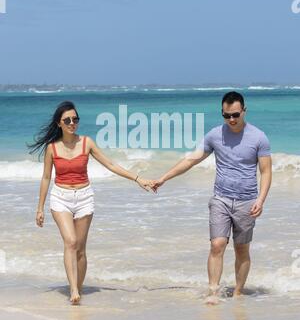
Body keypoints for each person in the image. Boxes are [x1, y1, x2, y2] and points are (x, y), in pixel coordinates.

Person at [28, 101, 154, 304]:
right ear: (59, 123)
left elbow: (111, 164)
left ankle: (78, 286)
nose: (72, 123)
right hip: (60, 197)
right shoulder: (52, 148)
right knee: (70, 242)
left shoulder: (87, 142)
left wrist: (138, 178)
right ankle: (74, 290)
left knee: (80, 249)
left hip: (84, 197)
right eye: (67, 120)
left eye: (75, 119)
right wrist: (39, 208)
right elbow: (45, 178)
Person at [152, 91, 272, 301]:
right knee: (217, 244)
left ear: (244, 111)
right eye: (227, 116)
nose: (232, 120)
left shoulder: (259, 137)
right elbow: (191, 160)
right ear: (222, 113)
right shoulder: (214, 135)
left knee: (241, 249)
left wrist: (260, 200)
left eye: (235, 114)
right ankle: (213, 292)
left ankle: (237, 293)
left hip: (247, 200)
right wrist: (164, 178)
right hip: (221, 199)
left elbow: (266, 171)